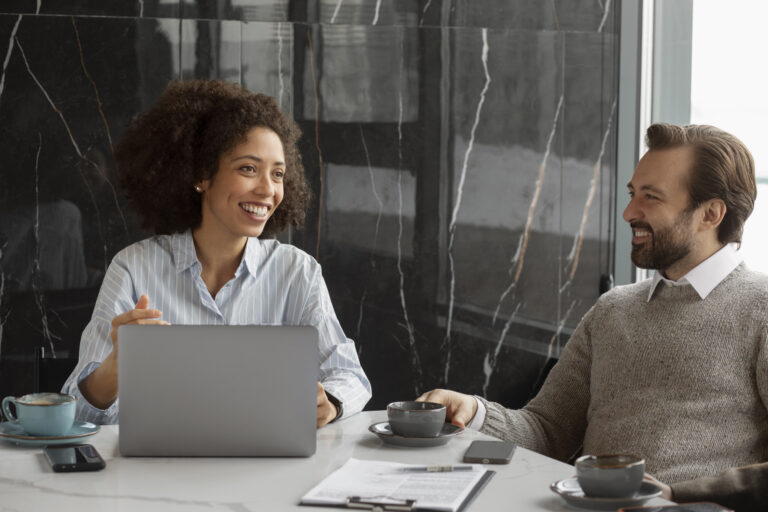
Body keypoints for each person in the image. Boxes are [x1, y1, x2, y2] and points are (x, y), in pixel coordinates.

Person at [419, 123, 768, 487]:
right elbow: (546, 431)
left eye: (651, 197)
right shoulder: (614, 309)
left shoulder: (760, 309)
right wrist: (474, 412)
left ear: (711, 214)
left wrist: (678, 498)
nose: (629, 212)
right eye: (632, 193)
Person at [62, 80, 371, 427]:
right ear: (201, 175)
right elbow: (76, 411)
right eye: (248, 168)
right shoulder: (134, 268)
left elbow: (350, 376)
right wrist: (117, 364)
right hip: (158, 476)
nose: (268, 189)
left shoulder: (296, 272)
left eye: (278, 174)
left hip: (267, 472)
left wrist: (328, 403)